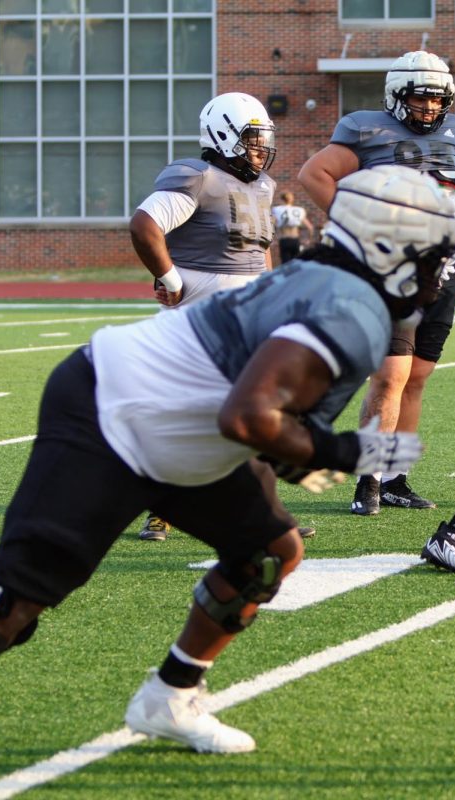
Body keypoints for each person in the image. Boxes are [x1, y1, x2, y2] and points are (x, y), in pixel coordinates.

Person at [0, 164, 455, 800]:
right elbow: (250, 417)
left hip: (182, 432)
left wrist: (321, 456)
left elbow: (264, 429)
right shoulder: (347, 308)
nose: (442, 269)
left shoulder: (327, 285)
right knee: (20, 598)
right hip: (112, 414)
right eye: (434, 251)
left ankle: (171, 695)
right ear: (391, 248)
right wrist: (344, 450)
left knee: (269, 552)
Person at [298, 50, 455, 516]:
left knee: (418, 379)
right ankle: (367, 479)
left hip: (440, 268)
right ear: (395, 96)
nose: (429, 109)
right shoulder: (366, 128)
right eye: (419, 99)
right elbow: (315, 173)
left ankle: (395, 478)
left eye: (436, 100)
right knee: (390, 376)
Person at [128, 91, 279, 543]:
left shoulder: (264, 186)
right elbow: (144, 224)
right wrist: (170, 278)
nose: (260, 149)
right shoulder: (198, 177)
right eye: (252, 139)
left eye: (263, 140)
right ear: (224, 135)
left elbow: (260, 250)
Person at [271, 189, 313, 263]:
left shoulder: (277, 210)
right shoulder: (299, 210)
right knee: (296, 264)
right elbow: (310, 227)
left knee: (285, 265)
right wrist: (308, 240)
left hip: (284, 240)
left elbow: (271, 225)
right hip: (295, 240)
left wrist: (273, 240)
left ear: (282, 199)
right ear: (291, 200)